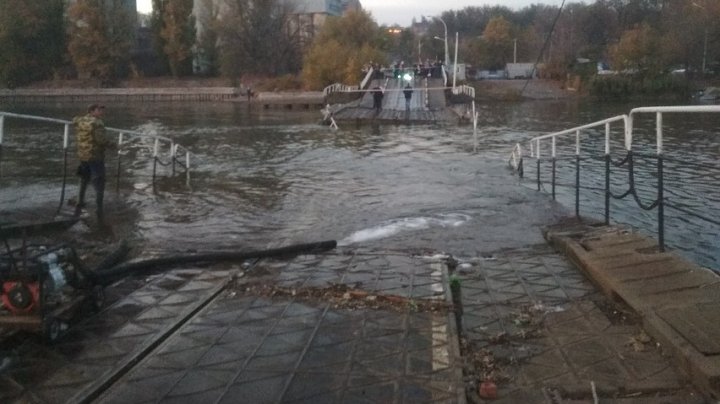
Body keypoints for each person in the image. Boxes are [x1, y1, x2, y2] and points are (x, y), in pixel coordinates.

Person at [73, 104, 113, 225]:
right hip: (95, 157)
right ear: (91, 111)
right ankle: (99, 208)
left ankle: (80, 201)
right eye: (99, 110)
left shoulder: (80, 120)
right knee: (99, 181)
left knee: (84, 178)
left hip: (83, 155)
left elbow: (74, 120)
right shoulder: (97, 123)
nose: (101, 112)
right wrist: (115, 146)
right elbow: (102, 140)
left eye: (102, 109)